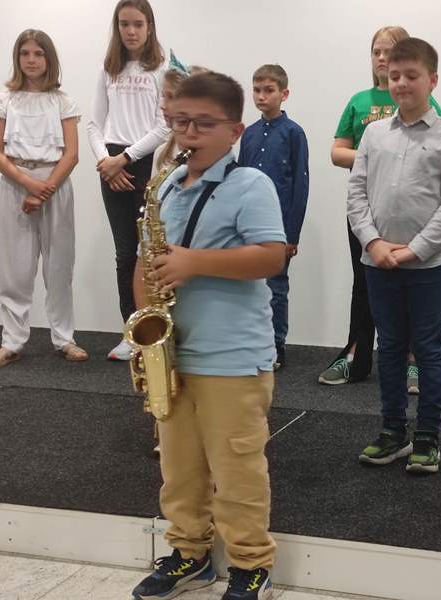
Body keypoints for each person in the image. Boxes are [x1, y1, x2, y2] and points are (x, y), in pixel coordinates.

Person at [130, 71, 286, 600]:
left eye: (202, 124)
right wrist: (144, 327)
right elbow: (147, 260)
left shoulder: (251, 184)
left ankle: (251, 564)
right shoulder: (165, 186)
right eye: (180, 122)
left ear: (235, 131)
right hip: (174, 354)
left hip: (231, 355)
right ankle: (189, 554)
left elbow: (271, 256)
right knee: (179, 468)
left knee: (237, 468)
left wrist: (194, 262)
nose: (188, 133)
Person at [348, 37, 441, 474]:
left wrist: (414, 249)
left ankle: (428, 434)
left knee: (430, 350)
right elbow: (356, 193)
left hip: (428, 266)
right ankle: (393, 430)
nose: (401, 83)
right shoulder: (374, 134)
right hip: (378, 262)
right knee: (390, 347)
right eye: (394, 75)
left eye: (411, 76)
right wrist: (373, 243)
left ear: (432, 80)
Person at [319, 25, 441, 391]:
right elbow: (337, 152)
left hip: (411, 215)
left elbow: (432, 152)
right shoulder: (359, 101)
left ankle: (412, 360)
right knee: (364, 285)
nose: (383, 58)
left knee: (413, 287)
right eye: (376, 51)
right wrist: (376, 154)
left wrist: (381, 156)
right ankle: (356, 355)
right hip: (365, 214)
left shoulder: (424, 101)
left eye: (390, 50)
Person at [0, 29, 87, 368]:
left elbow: (71, 154)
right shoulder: (4, 101)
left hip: (55, 183)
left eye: (38, 54)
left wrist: (45, 189)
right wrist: (28, 184)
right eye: (25, 53)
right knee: (13, 268)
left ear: (48, 58)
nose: (31, 60)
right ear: (17, 58)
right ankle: (11, 341)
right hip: (16, 184)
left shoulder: (63, 101)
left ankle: (64, 338)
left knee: (59, 265)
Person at [86, 0, 169, 361]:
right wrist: (106, 161)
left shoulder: (161, 69)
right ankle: (131, 331)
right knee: (124, 252)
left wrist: (125, 159)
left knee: (148, 251)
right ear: (116, 27)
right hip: (111, 163)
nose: (131, 31)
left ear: (149, 26)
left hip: (143, 161)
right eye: (124, 24)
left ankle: (158, 330)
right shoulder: (109, 69)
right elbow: (94, 124)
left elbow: (164, 126)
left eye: (137, 24)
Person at [239, 64, 309, 370]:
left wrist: (292, 234)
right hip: (248, 223)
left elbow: (300, 185)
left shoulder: (294, 134)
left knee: (276, 287)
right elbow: (239, 179)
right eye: (257, 90)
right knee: (248, 286)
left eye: (269, 90)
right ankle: (252, 342)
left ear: (284, 94)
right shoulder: (249, 134)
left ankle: (276, 345)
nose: (261, 96)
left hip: (278, 226)